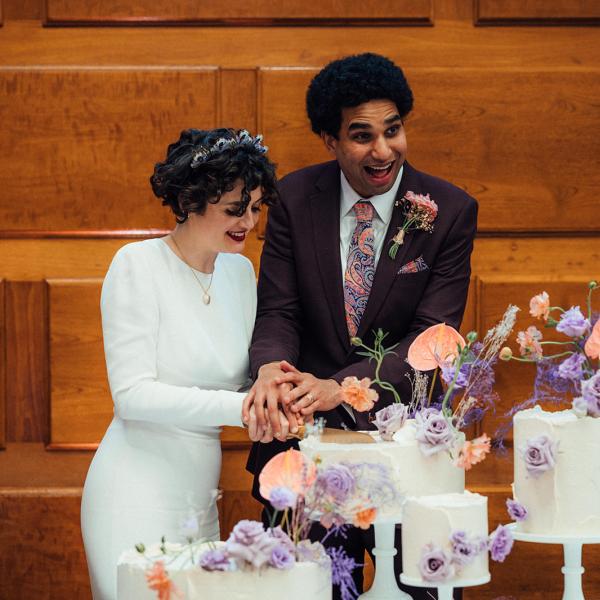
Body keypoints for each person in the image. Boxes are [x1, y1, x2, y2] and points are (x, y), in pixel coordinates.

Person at [244, 53, 477, 599]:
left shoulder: (448, 210)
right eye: (361, 135)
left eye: (393, 131)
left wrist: (338, 389)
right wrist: (272, 375)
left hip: (410, 448)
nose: (382, 151)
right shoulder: (295, 200)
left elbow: (430, 340)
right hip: (310, 451)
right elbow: (278, 310)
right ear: (329, 140)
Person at [80, 128, 287, 600]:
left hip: (200, 497)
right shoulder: (137, 264)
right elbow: (132, 396)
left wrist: (270, 402)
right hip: (133, 491)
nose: (248, 222)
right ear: (191, 200)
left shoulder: (239, 272)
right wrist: (240, 409)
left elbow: (235, 380)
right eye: (235, 209)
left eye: (255, 207)